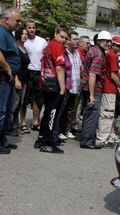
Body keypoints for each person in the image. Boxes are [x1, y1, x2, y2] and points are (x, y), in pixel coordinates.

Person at [37, 24, 68, 153]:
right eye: (62, 36)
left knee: (47, 112)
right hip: (53, 84)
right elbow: (60, 67)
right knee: (52, 114)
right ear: (56, 33)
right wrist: (62, 88)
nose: (64, 40)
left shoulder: (48, 45)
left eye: (66, 38)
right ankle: (47, 142)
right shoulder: (57, 46)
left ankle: (41, 139)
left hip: (45, 82)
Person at [80, 31, 112, 149]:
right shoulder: (99, 54)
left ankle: (86, 138)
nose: (108, 43)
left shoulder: (93, 50)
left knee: (88, 114)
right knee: (92, 114)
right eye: (106, 41)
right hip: (93, 89)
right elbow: (93, 74)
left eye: (109, 41)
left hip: (87, 87)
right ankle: (87, 141)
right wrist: (92, 95)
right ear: (99, 41)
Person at [0, 6, 21, 154]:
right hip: (3, 76)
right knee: (1, 111)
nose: (19, 23)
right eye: (17, 20)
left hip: (9, 77)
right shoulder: (1, 32)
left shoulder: (9, 33)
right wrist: (8, 68)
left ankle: (2, 140)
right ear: (6, 20)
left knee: (7, 111)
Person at [24, 19, 47, 132]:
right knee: (24, 99)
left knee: (38, 99)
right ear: (26, 28)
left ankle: (35, 121)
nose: (32, 30)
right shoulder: (23, 40)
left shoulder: (42, 41)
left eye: (33, 27)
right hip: (27, 72)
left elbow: (46, 57)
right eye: (29, 28)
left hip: (39, 73)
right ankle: (22, 122)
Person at [12, 28, 30, 135]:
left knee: (20, 103)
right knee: (14, 103)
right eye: (23, 34)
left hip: (25, 79)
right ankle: (9, 126)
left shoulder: (25, 48)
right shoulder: (15, 47)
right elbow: (13, 64)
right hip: (17, 79)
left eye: (26, 34)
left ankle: (14, 125)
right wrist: (16, 79)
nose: (25, 36)